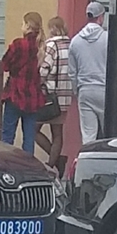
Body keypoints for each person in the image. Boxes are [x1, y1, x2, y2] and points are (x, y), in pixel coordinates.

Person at [0, 11, 44, 157]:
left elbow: (5, 65)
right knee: (29, 138)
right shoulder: (41, 47)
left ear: (28, 26)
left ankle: (7, 166)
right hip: (32, 96)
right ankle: (28, 167)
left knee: (7, 136)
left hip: (15, 93)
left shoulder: (18, 44)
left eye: (23, 23)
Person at [68, 1, 109, 147]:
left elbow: (72, 72)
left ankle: (87, 162)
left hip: (85, 90)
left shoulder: (75, 41)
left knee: (88, 135)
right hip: (105, 90)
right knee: (109, 134)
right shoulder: (108, 38)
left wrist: (77, 91)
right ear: (100, 17)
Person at [39, 14, 73, 167]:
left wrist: (39, 84)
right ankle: (54, 163)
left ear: (52, 28)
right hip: (65, 97)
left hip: (49, 96)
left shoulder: (51, 45)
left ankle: (54, 162)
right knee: (57, 133)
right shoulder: (71, 44)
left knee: (33, 128)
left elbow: (44, 69)